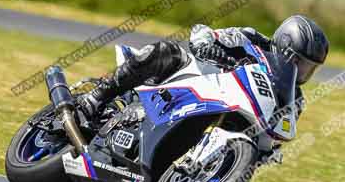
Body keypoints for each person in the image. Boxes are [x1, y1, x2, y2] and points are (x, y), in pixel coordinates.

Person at [76, 15, 330, 118]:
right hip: (193, 79)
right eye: (300, 62)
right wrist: (208, 47)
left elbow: (279, 131)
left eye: (310, 68)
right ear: (284, 47)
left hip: (224, 112)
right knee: (166, 51)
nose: (303, 71)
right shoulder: (251, 39)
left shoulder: (293, 98)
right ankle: (96, 98)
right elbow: (205, 33)